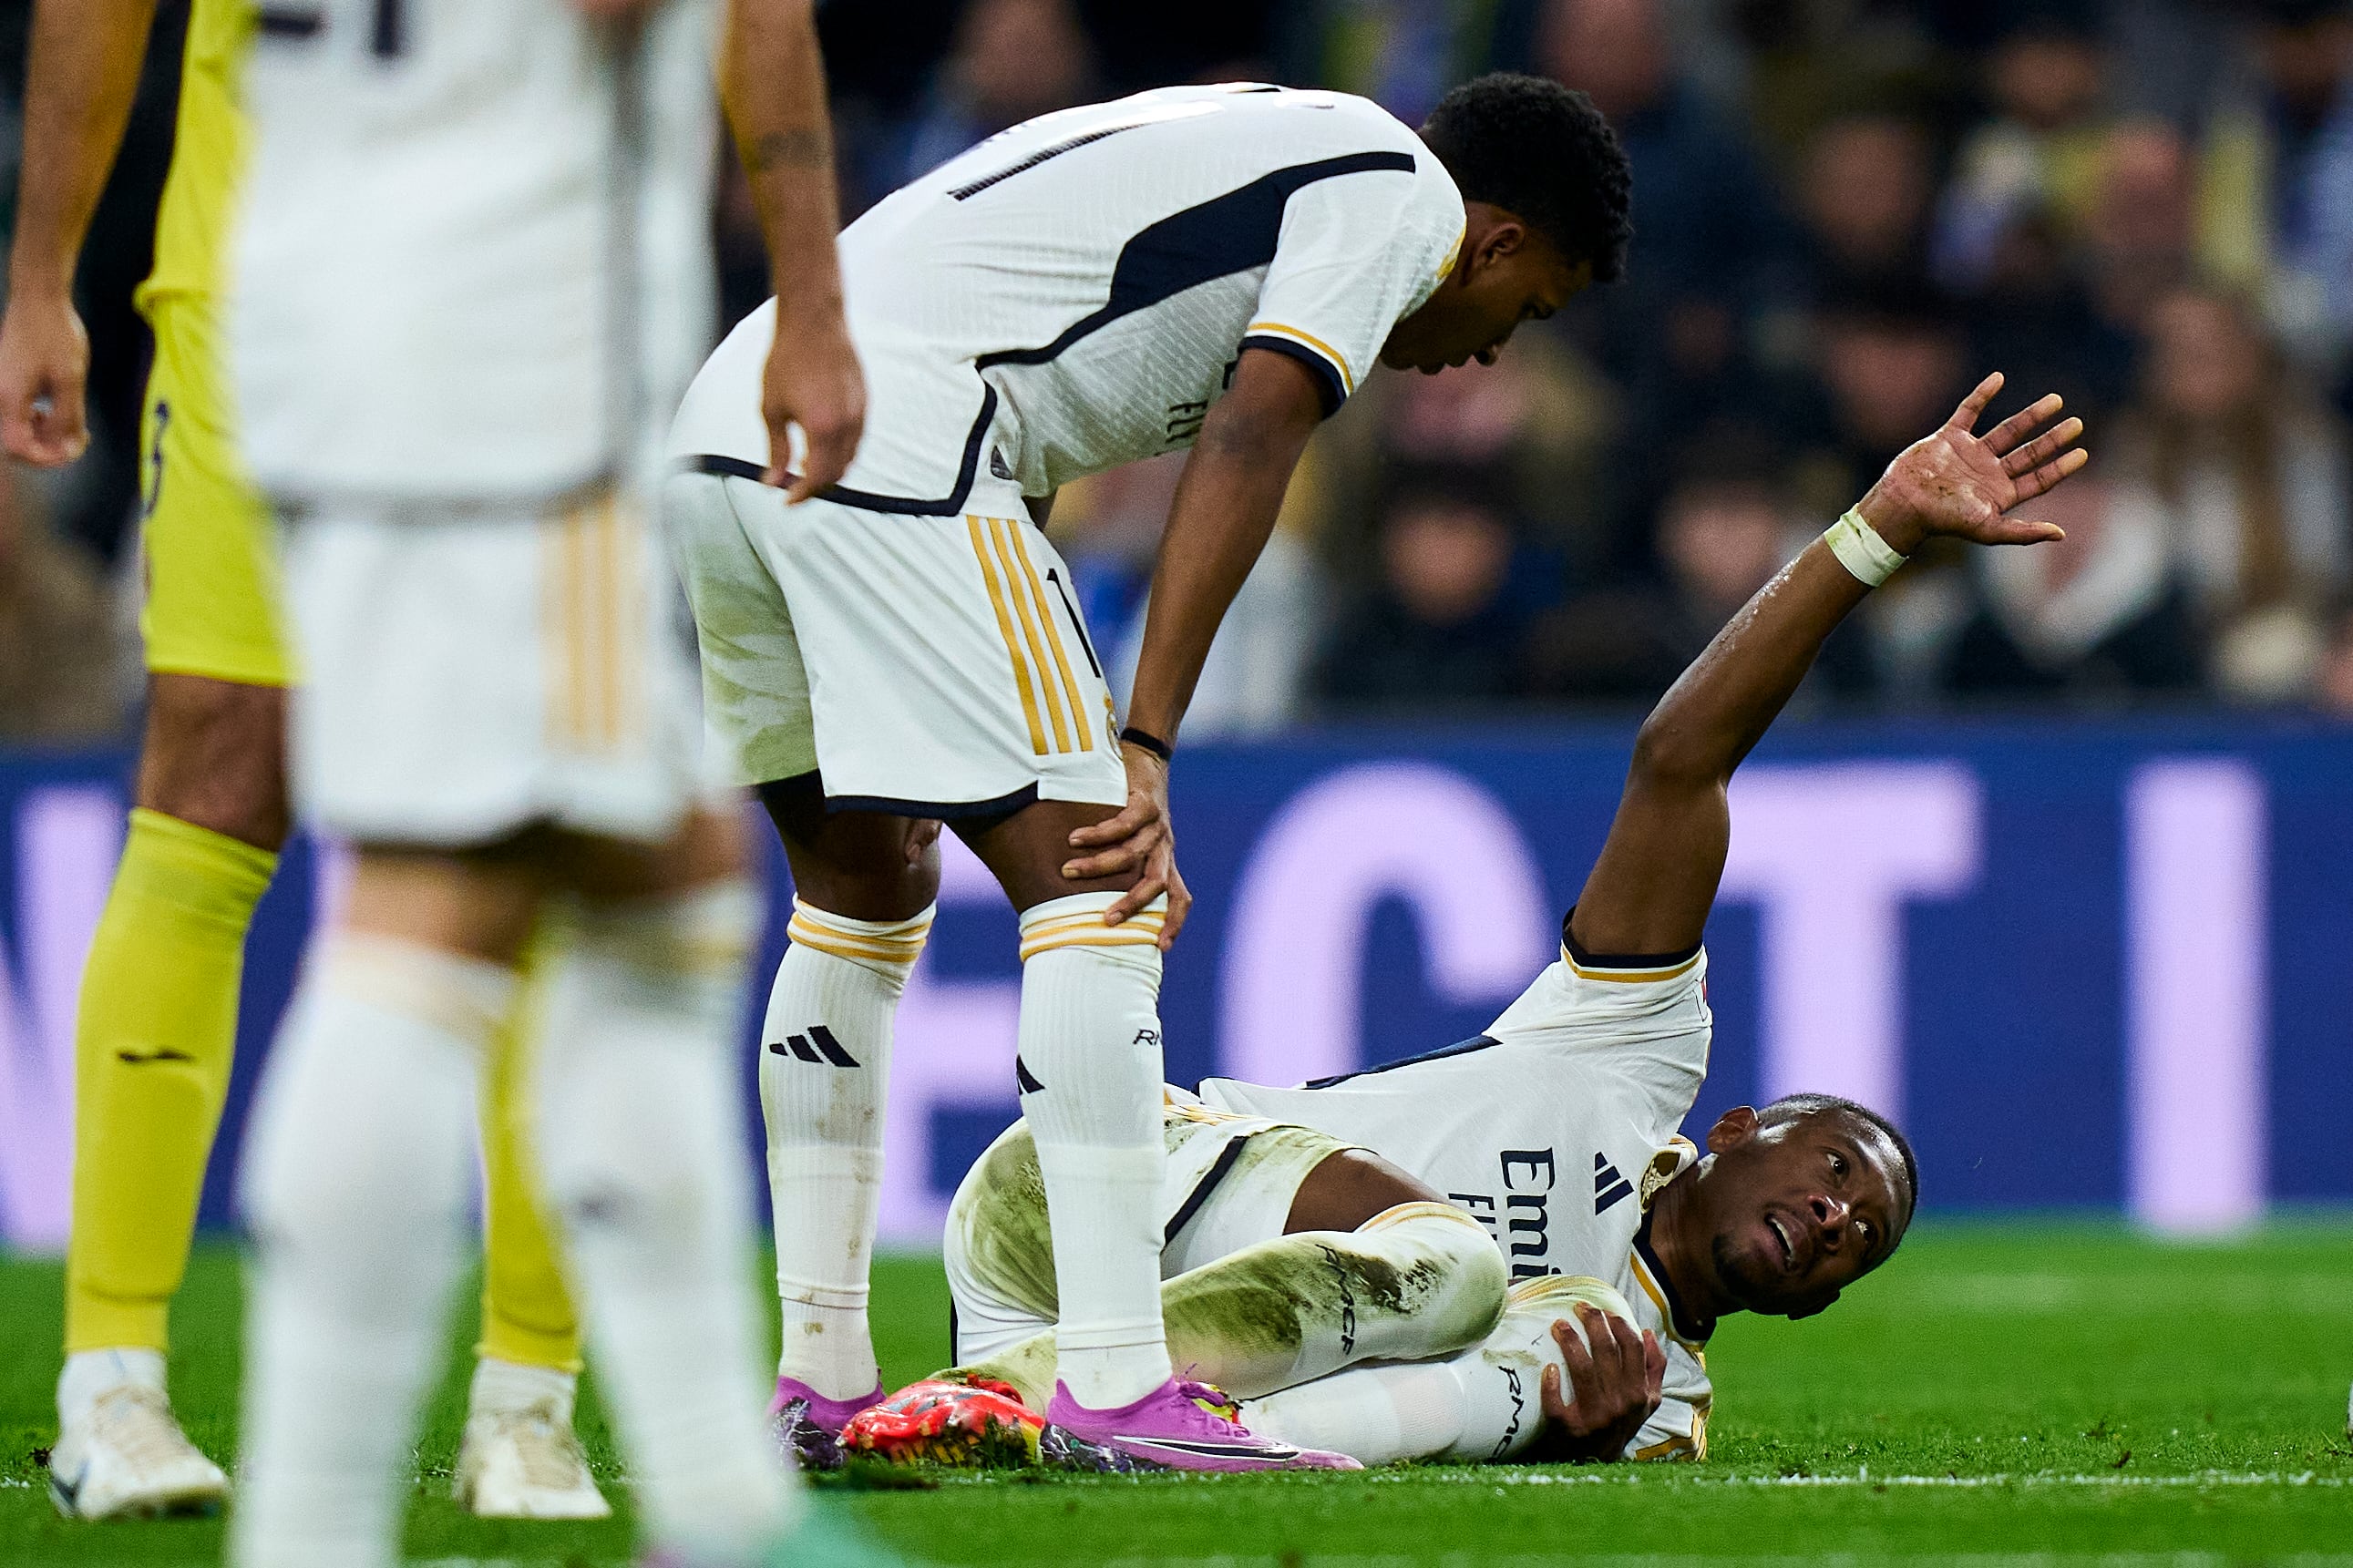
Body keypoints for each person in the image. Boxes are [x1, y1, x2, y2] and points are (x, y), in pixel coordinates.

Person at [663, 71, 1633, 1471]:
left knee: (859, 895)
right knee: (1102, 893)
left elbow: (1032, 356)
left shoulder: (1257, 134)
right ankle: (1119, 1381)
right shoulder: (1399, 197)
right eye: (1525, 307)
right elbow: (1253, 433)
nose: (1485, 350)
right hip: (903, 438)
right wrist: (1144, 740)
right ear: (1493, 240)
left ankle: (813, 1375)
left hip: (735, 429)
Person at [857, 371, 2084, 1468]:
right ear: (1735, 1125)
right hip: (1094, 1194)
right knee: (1466, 1272)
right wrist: (1871, 539)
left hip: (1126, 1331)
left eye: (1854, 1236)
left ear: (1816, 1301)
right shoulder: (1625, 1056)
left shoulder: (1657, 1411)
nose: (1830, 1217)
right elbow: (1680, 764)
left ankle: (1066, 1425)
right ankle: (1057, 1404)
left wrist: (1562, 1446)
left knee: (1565, 1344)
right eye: (1830, 1170)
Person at [220, 2, 875, 1564]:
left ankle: (720, 1506)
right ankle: (314, 1530)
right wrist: (810, 289)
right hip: (515, 337)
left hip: (320, 304)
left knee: (661, 878)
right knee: (439, 893)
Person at [0, 0, 649, 1520]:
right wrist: (40, 276)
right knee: (219, 777)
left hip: (529, 314)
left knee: (541, 817)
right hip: (261, 298)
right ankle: (110, 1386)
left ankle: (525, 1403)